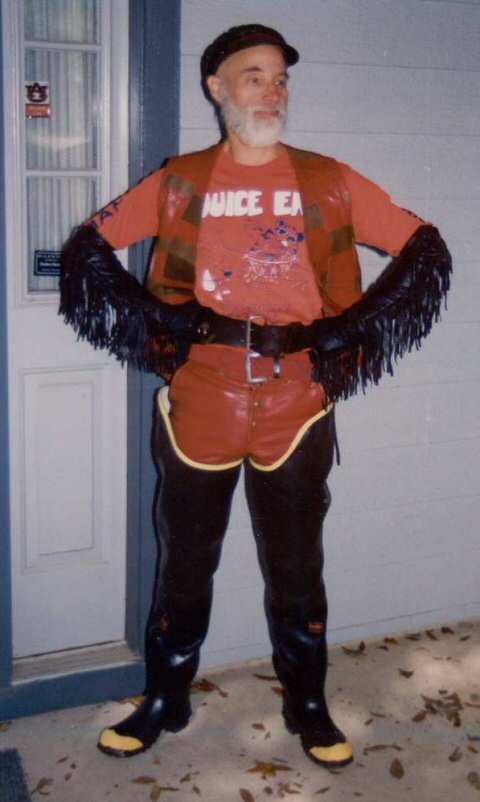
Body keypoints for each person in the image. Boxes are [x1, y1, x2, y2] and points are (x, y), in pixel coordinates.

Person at [59, 24, 451, 768]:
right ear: (216, 87)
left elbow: (425, 245)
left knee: (298, 568)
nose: (272, 91)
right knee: (183, 563)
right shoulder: (181, 181)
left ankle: (308, 706)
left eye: (280, 79)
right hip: (198, 404)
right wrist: (163, 320)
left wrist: (352, 328)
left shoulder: (327, 178)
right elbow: (87, 246)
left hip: (296, 407)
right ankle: (165, 699)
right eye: (254, 75)